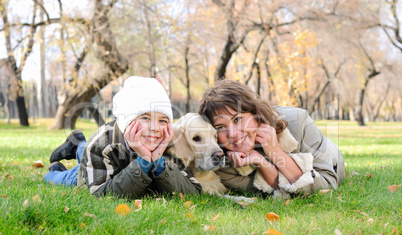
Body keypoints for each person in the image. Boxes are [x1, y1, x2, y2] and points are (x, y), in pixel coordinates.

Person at [44, 76, 201, 199]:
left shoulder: (169, 142)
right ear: (127, 121)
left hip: (107, 164)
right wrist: (145, 161)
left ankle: (77, 143)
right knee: (68, 178)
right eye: (145, 118)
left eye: (162, 120)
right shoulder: (101, 144)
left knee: (86, 153)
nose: (154, 128)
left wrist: (159, 162)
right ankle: (56, 170)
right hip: (101, 170)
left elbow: (192, 192)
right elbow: (100, 195)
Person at [198, 79, 345, 199]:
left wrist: (275, 151)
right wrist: (262, 162)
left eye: (238, 119)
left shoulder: (299, 122)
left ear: (255, 112)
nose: (233, 134)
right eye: (220, 127)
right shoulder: (225, 167)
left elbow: (327, 186)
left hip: (329, 154)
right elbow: (275, 192)